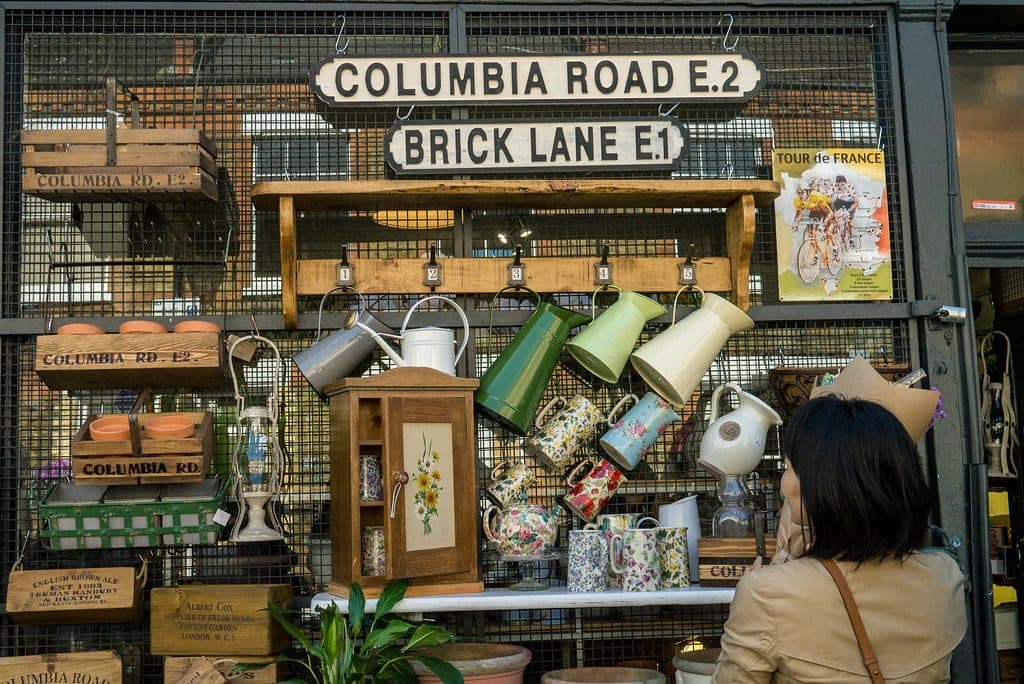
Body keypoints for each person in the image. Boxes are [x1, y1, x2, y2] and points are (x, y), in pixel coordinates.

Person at [713, 359, 966, 682]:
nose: (783, 482)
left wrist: (760, 586)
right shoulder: (945, 579)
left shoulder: (767, 595)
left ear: (820, 488)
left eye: (789, 467)